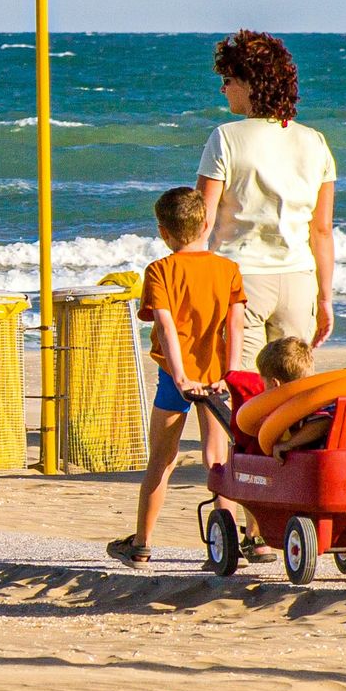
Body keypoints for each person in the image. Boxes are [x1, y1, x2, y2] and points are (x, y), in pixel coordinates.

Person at [106, 187, 243, 567]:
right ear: (206, 224)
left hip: (175, 376)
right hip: (215, 374)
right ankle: (225, 543)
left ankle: (142, 544)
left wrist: (180, 376)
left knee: (162, 460)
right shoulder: (227, 269)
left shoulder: (160, 270)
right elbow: (236, 325)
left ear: (163, 232)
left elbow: (166, 327)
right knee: (217, 458)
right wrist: (229, 374)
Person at [197, 31, 337, 370]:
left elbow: (203, 220)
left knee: (242, 389)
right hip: (297, 280)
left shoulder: (226, 137)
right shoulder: (314, 141)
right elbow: (322, 231)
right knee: (290, 392)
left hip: (240, 279)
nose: (223, 89)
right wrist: (325, 298)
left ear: (249, 84)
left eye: (228, 80)